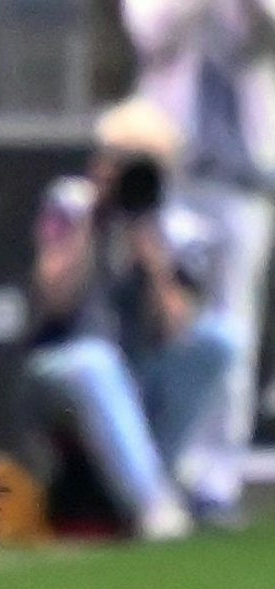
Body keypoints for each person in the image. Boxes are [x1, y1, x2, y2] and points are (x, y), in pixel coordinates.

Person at [24, 98, 233, 540]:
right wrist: (91, 221)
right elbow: (54, 301)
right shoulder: (70, 205)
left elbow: (178, 329)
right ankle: (156, 507)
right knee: (94, 360)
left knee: (220, 339)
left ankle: (154, 484)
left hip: (142, 365)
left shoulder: (177, 227)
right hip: (62, 369)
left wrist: (152, 254)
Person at [123, 0, 275, 528]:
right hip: (176, 170)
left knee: (235, 327)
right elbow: (148, 31)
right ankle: (167, 467)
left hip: (244, 177)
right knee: (171, 319)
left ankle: (217, 476)